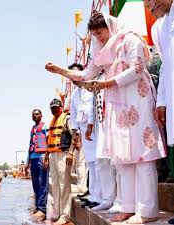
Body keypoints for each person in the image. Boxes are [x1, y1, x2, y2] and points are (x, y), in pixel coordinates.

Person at [45, 11, 166, 224]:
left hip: (138, 100)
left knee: (143, 155)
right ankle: (128, 207)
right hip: (119, 108)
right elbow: (85, 75)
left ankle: (148, 209)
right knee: (123, 157)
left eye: (100, 33)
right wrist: (59, 71)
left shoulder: (129, 39)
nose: (99, 38)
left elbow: (137, 70)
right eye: (95, 35)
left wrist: (106, 84)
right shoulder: (103, 51)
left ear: (109, 26)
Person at [146, 0, 174, 181]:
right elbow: (165, 67)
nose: (151, 6)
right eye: (147, 4)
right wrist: (162, 101)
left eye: (152, 0)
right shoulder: (160, 26)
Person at [69, 63, 100, 208]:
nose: (74, 77)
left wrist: (90, 124)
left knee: (98, 162)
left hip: (93, 128)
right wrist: (75, 133)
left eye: (76, 73)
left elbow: (93, 108)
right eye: (71, 74)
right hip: (83, 129)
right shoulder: (75, 93)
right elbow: (74, 114)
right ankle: (93, 194)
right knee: (91, 163)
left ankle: (100, 196)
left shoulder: (90, 87)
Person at [43, 98, 75, 225]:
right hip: (53, 154)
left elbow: (75, 136)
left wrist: (71, 153)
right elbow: (49, 140)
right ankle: (56, 212)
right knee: (55, 185)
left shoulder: (67, 118)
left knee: (64, 185)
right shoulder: (52, 121)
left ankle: (65, 215)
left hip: (63, 154)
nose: (54, 110)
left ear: (61, 107)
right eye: (52, 108)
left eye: (56, 107)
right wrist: (46, 156)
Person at [25, 109, 49, 222]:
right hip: (33, 158)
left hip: (42, 157)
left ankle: (42, 209)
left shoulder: (44, 127)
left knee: (42, 183)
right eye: (33, 115)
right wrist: (27, 162)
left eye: (37, 114)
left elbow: (48, 142)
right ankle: (37, 207)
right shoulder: (33, 129)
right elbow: (30, 145)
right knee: (35, 184)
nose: (35, 116)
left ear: (41, 115)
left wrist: (47, 157)